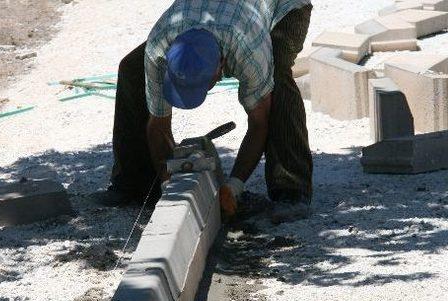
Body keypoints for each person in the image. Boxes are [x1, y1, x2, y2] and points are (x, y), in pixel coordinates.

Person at [98, 0, 313, 220]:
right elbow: (158, 125)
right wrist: (166, 181)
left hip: (283, 8)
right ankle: (133, 184)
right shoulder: (159, 47)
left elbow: (260, 122)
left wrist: (234, 186)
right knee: (131, 68)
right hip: (212, 16)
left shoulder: (248, 50)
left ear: (221, 65)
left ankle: (291, 190)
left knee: (277, 78)